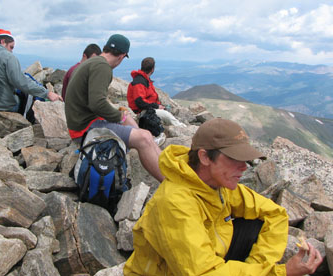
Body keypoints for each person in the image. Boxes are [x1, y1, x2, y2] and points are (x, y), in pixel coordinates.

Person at [124, 118, 322, 276]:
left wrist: (257, 267)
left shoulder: (218, 183)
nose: (244, 167)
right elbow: (202, 273)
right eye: (234, 158)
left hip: (209, 258)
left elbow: (275, 213)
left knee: (258, 223)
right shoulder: (174, 203)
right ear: (204, 157)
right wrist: (282, 273)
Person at [65, 34, 164, 182]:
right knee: (143, 138)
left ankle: (158, 156)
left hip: (81, 121)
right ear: (122, 56)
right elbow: (97, 103)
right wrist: (120, 117)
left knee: (131, 121)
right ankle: (170, 182)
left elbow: (94, 101)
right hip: (84, 128)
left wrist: (121, 115)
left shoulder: (93, 62)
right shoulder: (103, 67)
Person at [0, 29, 62, 112]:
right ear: (3, 42)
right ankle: (27, 123)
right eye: (11, 47)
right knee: (28, 95)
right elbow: (21, 82)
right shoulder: (7, 56)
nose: (11, 51)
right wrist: (47, 93)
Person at [127, 57, 185, 127]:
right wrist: (157, 106)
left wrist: (159, 106)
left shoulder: (145, 80)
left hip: (148, 109)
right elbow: (140, 102)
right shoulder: (139, 82)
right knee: (167, 115)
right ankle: (182, 128)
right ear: (152, 69)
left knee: (167, 112)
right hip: (142, 112)